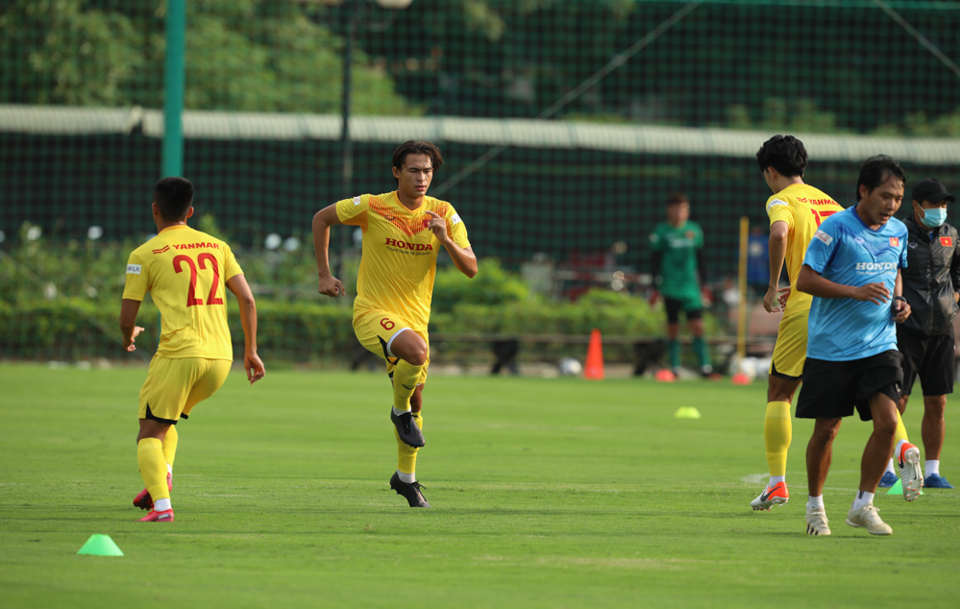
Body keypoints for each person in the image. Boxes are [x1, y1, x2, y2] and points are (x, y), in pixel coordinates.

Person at [311, 140, 477, 508]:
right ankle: (398, 411)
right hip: (372, 313)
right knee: (414, 362)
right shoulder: (372, 205)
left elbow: (471, 268)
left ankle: (406, 479)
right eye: (414, 170)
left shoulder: (444, 213)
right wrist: (324, 273)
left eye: (428, 171)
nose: (422, 178)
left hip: (416, 320)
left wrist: (444, 239)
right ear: (396, 172)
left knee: (416, 396)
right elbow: (321, 218)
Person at [120, 177, 266, 523]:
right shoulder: (218, 246)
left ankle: (161, 507)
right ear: (191, 211)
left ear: (154, 209)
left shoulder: (143, 254)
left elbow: (127, 316)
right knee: (166, 424)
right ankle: (162, 477)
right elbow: (247, 298)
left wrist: (129, 335)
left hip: (179, 355)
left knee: (148, 432)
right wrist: (252, 350)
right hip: (220, 360)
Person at [795, 155, 919, 537]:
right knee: (827, 431)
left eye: (897, 197)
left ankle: (863, 505)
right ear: (863, 190)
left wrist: (899, 302)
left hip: (880, 344)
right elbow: (804, 279)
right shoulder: (836, 228)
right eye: (885, 196)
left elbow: (895, 271)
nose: (892, 205)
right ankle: (815, 506)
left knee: (887, 423)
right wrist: (854, 292)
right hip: (832, 347)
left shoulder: (898, 231)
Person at [750, 135, 844, 511]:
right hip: (844, 307)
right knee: (870, 389)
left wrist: (774, 286)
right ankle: (901, 449)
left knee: (780, 392)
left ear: (771, 171)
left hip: (806, 307)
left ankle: (777, 484)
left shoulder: (780, 199)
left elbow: (779, 233)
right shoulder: (833, 204)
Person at [880, 178, 957, 490]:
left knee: (937, 402)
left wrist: (953, 300)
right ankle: (886, 467)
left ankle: (933, 471)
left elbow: (957, 275)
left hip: (941, 330)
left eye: (944, 204)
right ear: (916, 206)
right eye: (934, 204)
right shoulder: (897, 233)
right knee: (896, 401)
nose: (941, 210)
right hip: (906, 331)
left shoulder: (951, 235)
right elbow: (887, 272)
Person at [649, 192, 715, 378]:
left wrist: (705, 284)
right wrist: (654, 287)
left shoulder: (694, 230)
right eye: (677, 208)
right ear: (669, 210)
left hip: (690, 288)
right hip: (670, 286)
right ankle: (675, 367)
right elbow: (654, 260)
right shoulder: (661, 232)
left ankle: (705, 367)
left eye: (684, 208)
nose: (681, 212)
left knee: (698, 326)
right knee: (673, 328)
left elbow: (701, 259)